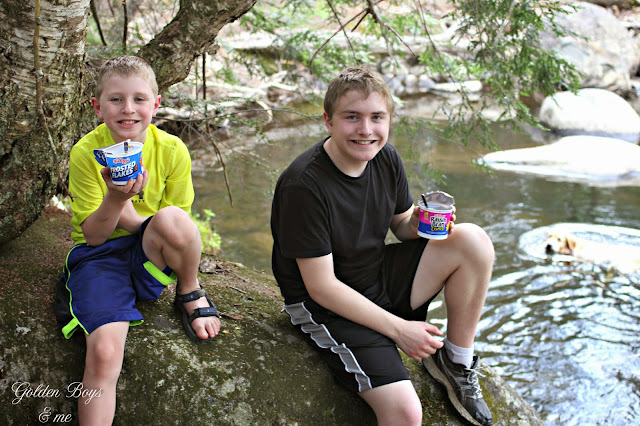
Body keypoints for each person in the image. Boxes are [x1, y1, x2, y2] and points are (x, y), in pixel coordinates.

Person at [270, 66, 494, 426]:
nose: (366, 130)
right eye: (352, 117)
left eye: (377, 117)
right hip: (327, 307)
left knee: (472, 240)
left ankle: (456, 361)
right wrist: (398, 329)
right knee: (406, 413)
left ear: (389, 119)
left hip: (375, 276)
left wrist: (423, 222)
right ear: (328, 121)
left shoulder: (385, 157)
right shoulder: (304, 186)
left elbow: (401, 227)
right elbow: (321, 287)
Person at [56, 55, 221, 425]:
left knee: (174, 218)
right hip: (100, 259)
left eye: (139, 99)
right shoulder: (86, 153)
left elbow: (178, 228)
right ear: (97, 106)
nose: (128, 110)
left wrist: (141, 220)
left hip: (150, 254)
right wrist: (116, 199)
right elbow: (95, 237)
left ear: (156, 104)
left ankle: (190, 290)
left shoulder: (172, 150)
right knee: (103, 354)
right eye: (115, 99)